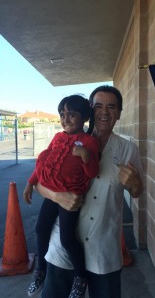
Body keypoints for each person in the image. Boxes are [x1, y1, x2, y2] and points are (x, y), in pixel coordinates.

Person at [36, 85, 144, 298]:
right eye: (98, 106)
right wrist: (57, 196)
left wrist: (135, 183)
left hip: (103, 251)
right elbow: (41, 183)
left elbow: (137, 192)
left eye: (111, 107)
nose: (104, 112)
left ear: (119, 114)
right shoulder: (67, 142)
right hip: (62, 248)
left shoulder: (128, 150)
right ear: (89, 110)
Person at [23, 95, 99, 298]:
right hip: (52, 193)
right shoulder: (57, 137)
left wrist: (85, 157)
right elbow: (45, 162)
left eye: (71, 114)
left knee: (67, 238)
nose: (65, 119)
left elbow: (92, 173)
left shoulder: (89, 141)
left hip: (71, 196)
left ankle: (80, 276)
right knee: (40, 229)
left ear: (83, 117)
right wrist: (31, 183)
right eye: (62, 114)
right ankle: (41, 270)